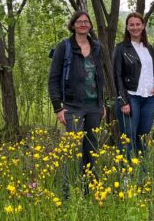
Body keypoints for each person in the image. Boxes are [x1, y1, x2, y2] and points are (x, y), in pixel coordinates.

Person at [48, 10, 104, 195]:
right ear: (73, 25)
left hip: (94, 107)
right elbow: (53, 78)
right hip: (72, 106)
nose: (83, 24)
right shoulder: (64, 47)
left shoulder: (96, 47)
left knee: (92, 149)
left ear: (90, 25)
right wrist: (58, 107)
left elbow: (100, 77)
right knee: (74, 151)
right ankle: (67, 194)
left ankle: (90, 191)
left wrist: (102, 103)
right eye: (79, 21)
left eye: (86, 21)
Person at [113, 12, 154, 161]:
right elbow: (117, 76)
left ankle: (140, 172)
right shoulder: (121, 48)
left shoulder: (149, 48)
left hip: (148, 99)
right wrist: (123, 101)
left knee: (142, 136)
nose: (135, 27)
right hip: (130, 97)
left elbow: (153, 72)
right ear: (127, 27)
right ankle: (126, 174)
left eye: (138, 24)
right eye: (131, 25)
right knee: (128, 137)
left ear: (143, 26)